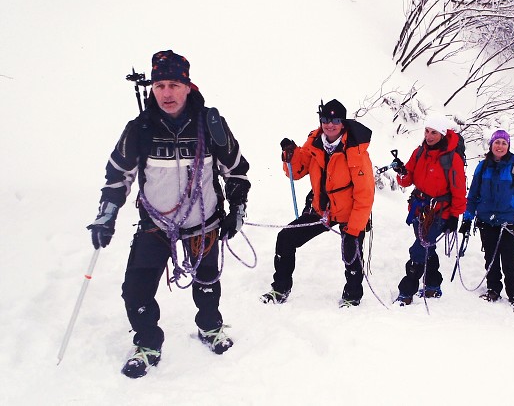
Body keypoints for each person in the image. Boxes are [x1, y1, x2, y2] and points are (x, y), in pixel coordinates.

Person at [87, 50, 251, 378]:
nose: (166, 92)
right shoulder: (139, 129)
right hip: (155, 223)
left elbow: (236, 170)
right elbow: (117, 175)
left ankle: (209, 327)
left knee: (206, 282)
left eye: (174, 84)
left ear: (188, 87)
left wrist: (237, 209)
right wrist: (107, 215)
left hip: (203, 222)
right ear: (152, 89)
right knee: (136, 288)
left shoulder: (210, 124)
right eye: (160, 85)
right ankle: (148, 342)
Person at [260, 99, 374, 307]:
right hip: (323, 209)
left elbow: (365, 193)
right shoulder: (314, 142)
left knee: (352, 251)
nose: (330, 125)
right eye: (325, 120)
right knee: (286, 238)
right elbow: (297, 172)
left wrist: (355, 228)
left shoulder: (355, 150)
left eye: (335, 120)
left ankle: (352, 296)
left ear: (343, 122)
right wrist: (291, 155)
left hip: (351, 210)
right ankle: (280, 289)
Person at [393, 114, 467, 306]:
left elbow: (459, 189)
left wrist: (454, 216)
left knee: (418, 250)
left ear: (442, 134)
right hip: (419, 209)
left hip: (439, 212)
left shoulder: (452, 159)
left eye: (434, 132)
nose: (429, 136)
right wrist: (402, 172)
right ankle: (433, 286)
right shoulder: (419, 152)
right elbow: (407, 180)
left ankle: (406, 291)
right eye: (427, 131)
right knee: (428, 247)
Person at [460, 129, 514, 315]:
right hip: (486, 221)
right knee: (490, 258)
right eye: (497, 142)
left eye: (504, 143)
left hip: (509, 224)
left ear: (508, 146)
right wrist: (468, 218)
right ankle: (493, 289)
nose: (500, 146)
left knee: (509, 261)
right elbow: (473, 194)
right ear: (491, 145)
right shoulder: (482, 167)